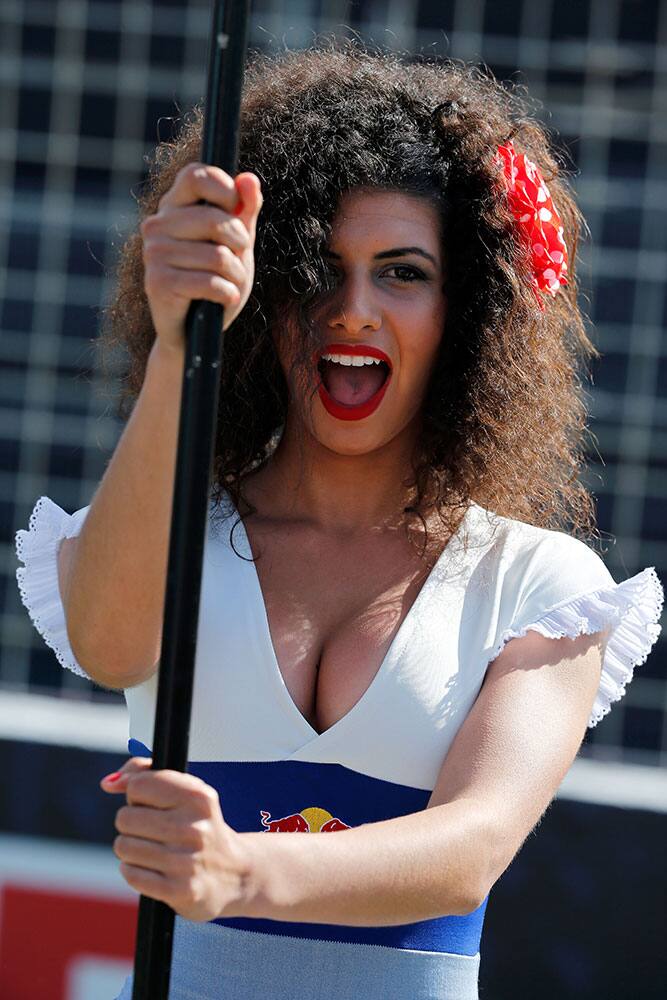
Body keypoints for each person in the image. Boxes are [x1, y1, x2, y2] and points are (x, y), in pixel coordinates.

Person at [14, 41, 664, 1000]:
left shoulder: (538, 584)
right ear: (262, 297)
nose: (350, 311)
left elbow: (471, 847)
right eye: (312, 268)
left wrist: (240, 870)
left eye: (401, 273)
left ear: (467, 312)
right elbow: (111, 649)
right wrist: (175, 338)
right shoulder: (164, 535)